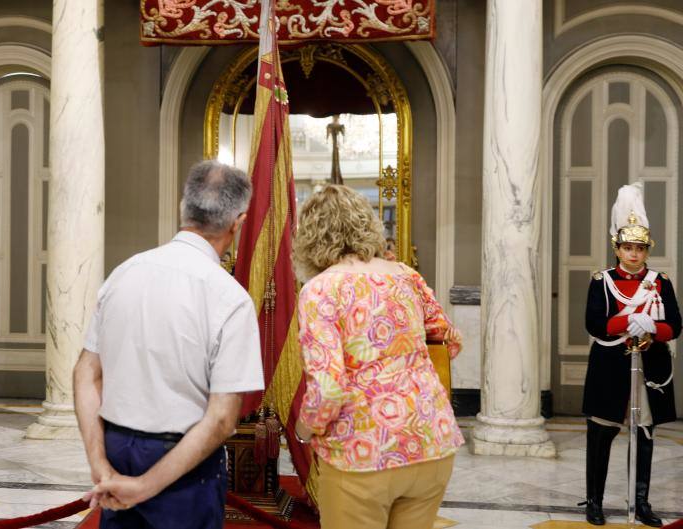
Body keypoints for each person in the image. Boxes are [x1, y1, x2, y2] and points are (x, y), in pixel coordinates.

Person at [74, 160, 264, 528]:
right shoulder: (230, 299)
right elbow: (223, 418)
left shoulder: (123, 274)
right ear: (238, 222)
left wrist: (99, 463)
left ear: (184, 207)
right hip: (184, 464)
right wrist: (144, 487)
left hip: (115, 447)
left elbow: (86, 371)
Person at [291, 185, 463, 529]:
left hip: (363, 452)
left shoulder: (320, 290)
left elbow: (328, 388)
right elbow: (450, 340)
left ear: (310, 237)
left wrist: (303, 431)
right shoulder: (405, 275)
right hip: (432, 440)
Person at [581, 182, 679, 527]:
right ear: (617, 249)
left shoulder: (660, 282)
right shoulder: (601, 281)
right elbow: (594, 324)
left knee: (645, 437)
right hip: (610, 366)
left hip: (648, 367)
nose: (634, 254)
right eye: (627, 248)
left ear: (646, 250)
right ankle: (594, 501)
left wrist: (651, 328)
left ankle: (641, 502)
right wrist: (627, 320)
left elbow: (675, 326)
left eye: (639, 248)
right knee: (601, 436)